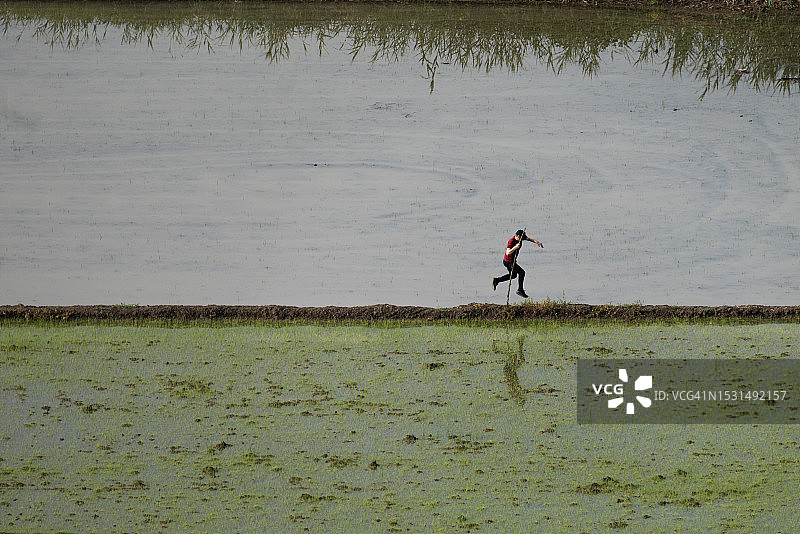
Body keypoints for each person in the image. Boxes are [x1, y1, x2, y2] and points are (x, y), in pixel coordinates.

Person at [492, 229, 543, 298]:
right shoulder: (511, 241)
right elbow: (508, 252)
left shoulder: (520, 238)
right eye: (521, 239)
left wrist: (537, 242)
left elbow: (529, 239)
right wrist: (515, 247)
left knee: (513, 275)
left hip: (510, 261)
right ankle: (520, 290)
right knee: (522, 272)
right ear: (518, 236)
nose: (522, 240)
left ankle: (497, 280)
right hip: (508, 262)